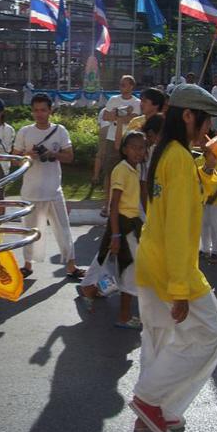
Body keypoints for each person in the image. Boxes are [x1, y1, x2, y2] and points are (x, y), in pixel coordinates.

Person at [130, 84, 217, 432]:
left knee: (157, 338)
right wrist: (181, 289)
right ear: (187, 115)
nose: (208, 130)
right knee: (210, 334)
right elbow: (179, 227)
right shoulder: (180, 159)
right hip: (173, 268)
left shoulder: (166, 153)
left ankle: (154, 413)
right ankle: (151, 399)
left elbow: (180, 202)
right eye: (205, 121)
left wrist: (209, 166)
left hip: (151, 262)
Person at [13, 92, 85, 280]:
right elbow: (15, 159)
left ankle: (71, 265)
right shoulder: (25, 132)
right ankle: (27, 265)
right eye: (36, 110)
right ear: (32, 111)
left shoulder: (60, 131)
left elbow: (69, 157)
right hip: (30, 191)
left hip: (53, 190)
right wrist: (28, 155)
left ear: (50, 110)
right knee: (29, 230)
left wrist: (52, 154)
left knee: (63, 229)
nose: (39, 114)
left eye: (43, 110)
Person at [79, 131, 146, 328]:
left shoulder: (136, 169)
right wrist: (116, 234)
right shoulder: (122, 170)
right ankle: (124, 316)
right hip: (123, 225)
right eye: (134, 147)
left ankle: (91, 290)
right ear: (125, 150)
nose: (138, 152)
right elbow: (114, 204)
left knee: (114, 264)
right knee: (130, 270)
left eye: (142, 148)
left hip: (131, 223)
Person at [100, 75, 141, 217]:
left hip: (129, 140)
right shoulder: (113, 99)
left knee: (130, 172)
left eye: (124, 84)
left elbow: (133, 118)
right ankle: (107, 204)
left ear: (131, 86)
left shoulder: (137, 102)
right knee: (109, 172)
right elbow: (105, 116)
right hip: (112, 139)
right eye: (121, 84)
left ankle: (126, 204)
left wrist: (117, 115)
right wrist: (122, 113)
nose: (122, 86)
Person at [197, 140, 217, 264]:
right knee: (203, 225)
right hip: (201, 201)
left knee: (216, 226)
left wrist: (214, 197)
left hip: (216, 201)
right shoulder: (197, 161)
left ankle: (215, 251)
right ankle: (204, 249)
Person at [91, 105, 110, 185]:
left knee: (100, 154)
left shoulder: (103, 110)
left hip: (103, 129)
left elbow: (99, 124)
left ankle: (96, 176)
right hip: (112, 129)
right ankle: (107, 176)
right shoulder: (118, 107)